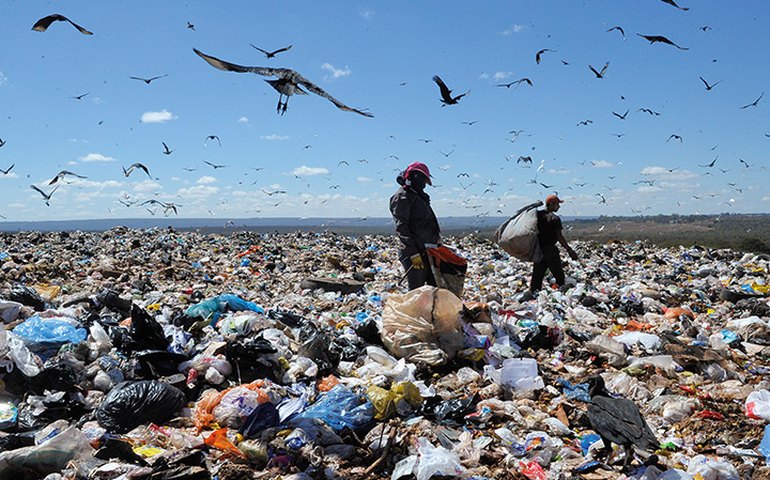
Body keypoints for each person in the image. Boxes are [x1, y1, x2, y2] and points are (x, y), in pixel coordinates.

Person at [389, 162, 441, 290]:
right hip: (415, 252)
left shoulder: (416, 195)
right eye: (423, 180)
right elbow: (402, 227)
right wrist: (412, 253)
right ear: (414, 176)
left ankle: (428, 311)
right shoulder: (402, 197)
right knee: (417, 290)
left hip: (427, 250)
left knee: (433, 288)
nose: (424, 184)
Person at [530, 194, 578, 293]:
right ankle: (563, 295)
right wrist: (569, 250)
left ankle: (533, 295)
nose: (559, 207)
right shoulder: (554, 218)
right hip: (550, 251)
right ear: (551, 204)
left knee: (537, 276)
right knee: (559, 275)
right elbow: (559, 237)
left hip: (538, 250)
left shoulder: (537, 215)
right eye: (557, 204)